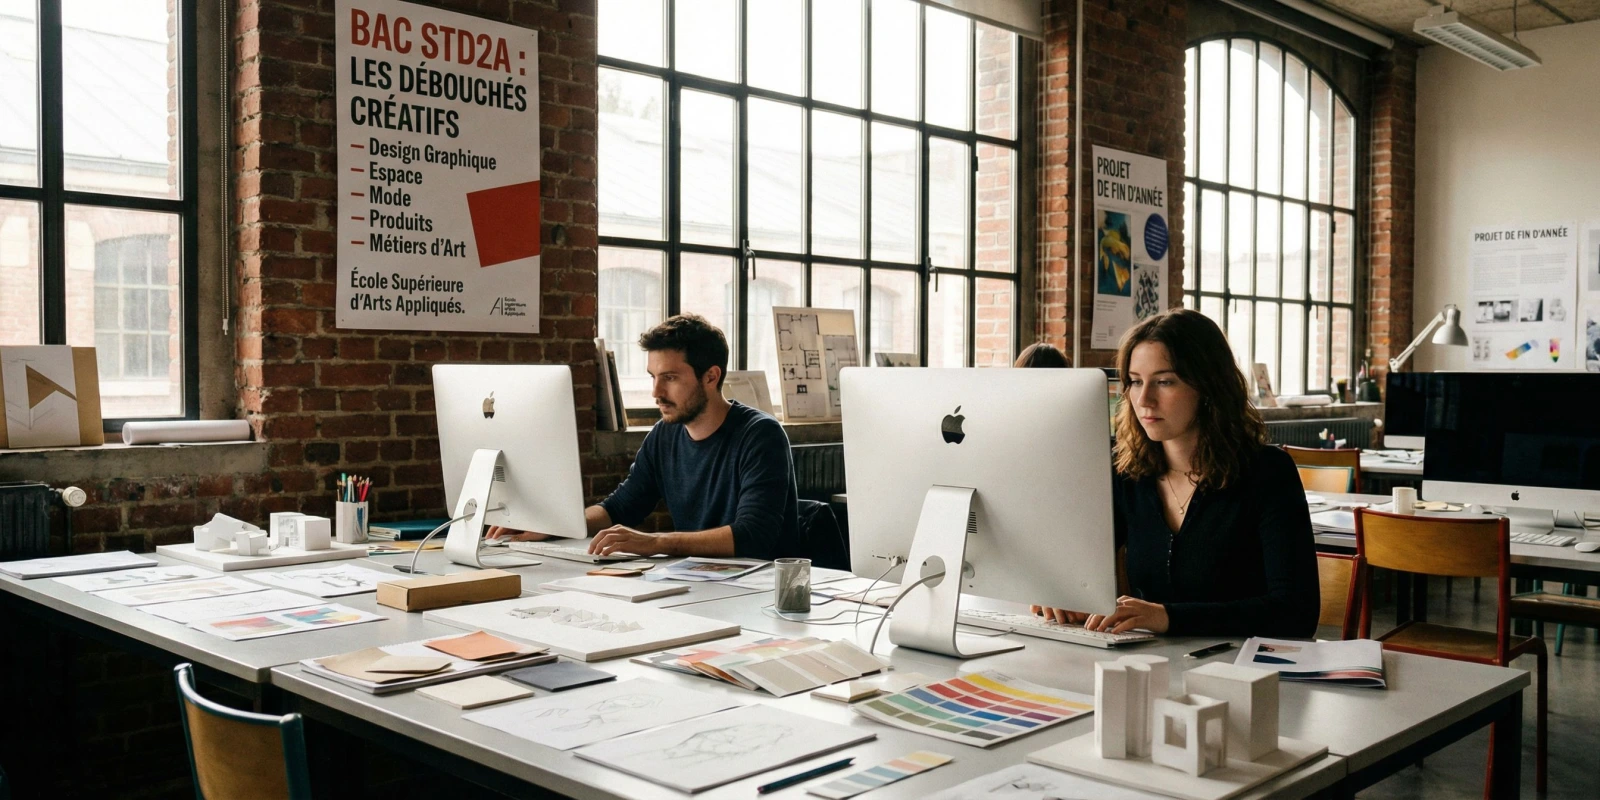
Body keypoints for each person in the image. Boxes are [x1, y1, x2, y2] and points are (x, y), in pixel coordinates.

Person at [1033, 309, 1319, 638]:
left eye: (1165, 382)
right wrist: (1058, 591)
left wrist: (1167, 617)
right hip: (1148, 665)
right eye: (1136, 382)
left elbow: (1297, 613)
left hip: (1243, 674)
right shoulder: (1128, 470)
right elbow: (1077, 560)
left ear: (1208, 386)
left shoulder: (1268, 472)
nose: (1144, 399)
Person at [487, 314, 801, 559]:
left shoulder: (760, 435)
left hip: (760, 594)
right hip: (701, 585)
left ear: (711, 376)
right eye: (653, 377)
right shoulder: (664, 435)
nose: (656, 392)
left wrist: (655, 542)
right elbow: (620, 507)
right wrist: (551, 525)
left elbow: (754, 537)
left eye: (670, 378)